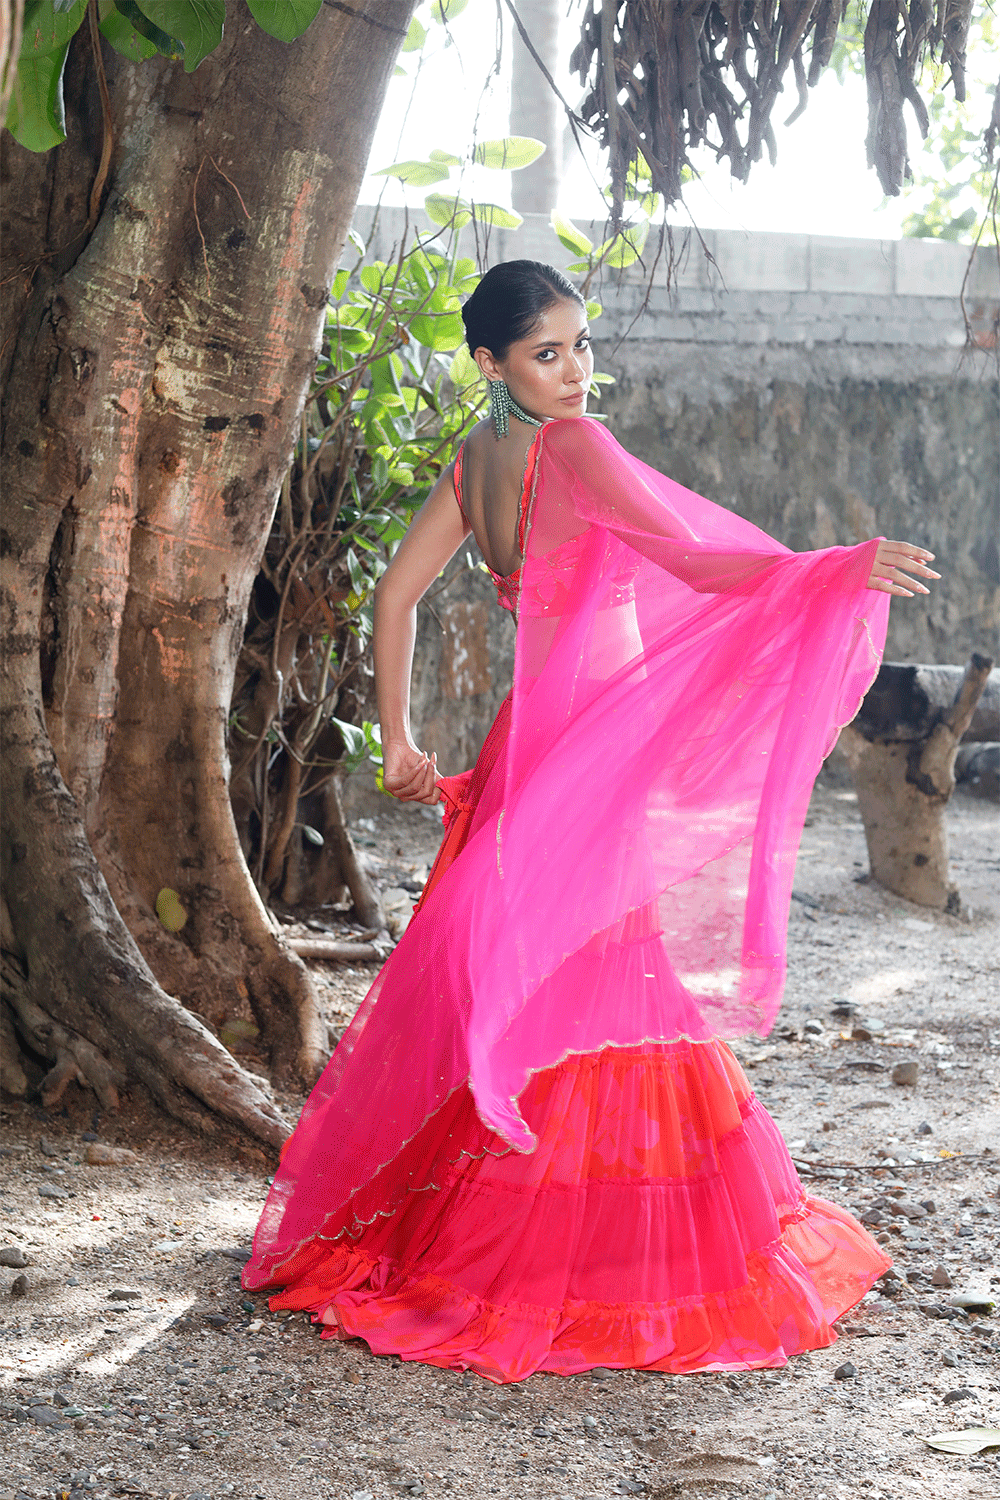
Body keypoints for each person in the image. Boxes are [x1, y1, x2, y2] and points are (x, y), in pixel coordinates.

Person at [243, 260, 938, 1383]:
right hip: (592, 752)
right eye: (545, 354)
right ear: (489, 363)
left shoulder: (478, 462)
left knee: (544, 970)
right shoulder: (578, 449)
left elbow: (394, 595)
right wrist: (828, 571)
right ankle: (608, 1259)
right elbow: (696, 562)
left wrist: (402, 737)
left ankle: (485, 1233)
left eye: (579, 346)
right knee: (607, 980)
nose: (574, 374)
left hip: (534, 746)